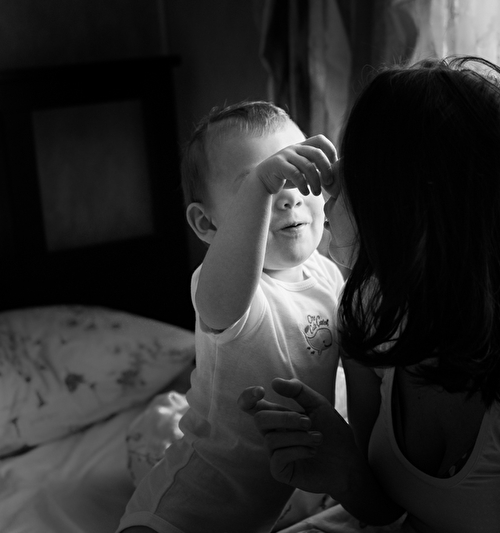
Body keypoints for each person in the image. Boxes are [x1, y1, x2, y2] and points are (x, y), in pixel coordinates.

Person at [239, 57, 500, 532]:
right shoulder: (371, 313)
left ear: (413, 211)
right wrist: (343, 470)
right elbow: (386, 512)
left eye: (356, 164)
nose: (329, 183)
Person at [118, 101, 345, 533]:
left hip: (267, 510)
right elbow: (226, 296)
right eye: (261, 186)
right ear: (207, 225)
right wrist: (261, 185)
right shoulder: (229, 287)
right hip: (187, 510)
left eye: (298, 176)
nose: (289, 195)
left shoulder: (327, 275)